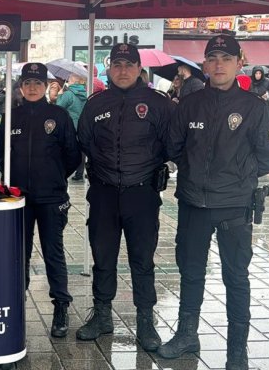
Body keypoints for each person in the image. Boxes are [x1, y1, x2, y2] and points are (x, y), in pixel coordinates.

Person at [160, 35, 269, 369]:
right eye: (212, 58)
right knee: (191, 272)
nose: (218, 64)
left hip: (234, 207)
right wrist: (194, 172)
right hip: (193, 204)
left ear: (239, 63)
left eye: (225, 58)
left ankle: (236, 351)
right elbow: (173, 147)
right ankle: (187, 335)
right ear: (204, 64)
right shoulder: (190, 104)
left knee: (236, 278)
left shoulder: (254, 107)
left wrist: (239, 175)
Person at [76, 43, 173, 352]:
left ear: (138, 68)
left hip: (142, 194)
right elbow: (86, 142)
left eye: (128, 65)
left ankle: (146, 321)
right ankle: (102, 315)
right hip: (104, 192)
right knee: (103, 257)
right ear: (109, 67)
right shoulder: (95, 103)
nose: (122, 70)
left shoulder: (159, 104)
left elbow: (170, 144)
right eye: (117, 65)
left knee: (142, 260)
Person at [0, 63, 81, 338]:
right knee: (19, 253)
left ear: (47, 86)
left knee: (53, 252)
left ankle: (60, 306)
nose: (32, 88)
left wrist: (54, 177)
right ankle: (16, 303)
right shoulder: (11, 116)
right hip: (18, 198)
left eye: (38, 83)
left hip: (51, 197)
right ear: (21, 86)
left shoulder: (59, 115)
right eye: (27, 83)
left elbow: (72, 155)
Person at [56, 73, 88, 181]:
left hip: (70, 126)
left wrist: (60, 95)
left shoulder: (68, 94)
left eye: (69, 79)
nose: (67, 81)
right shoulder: (85, 93)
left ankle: (65, 170)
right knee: (81, 150)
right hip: (83, 126)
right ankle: (79, 173)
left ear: (73, 81)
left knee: (68, 148)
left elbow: (58, 108)